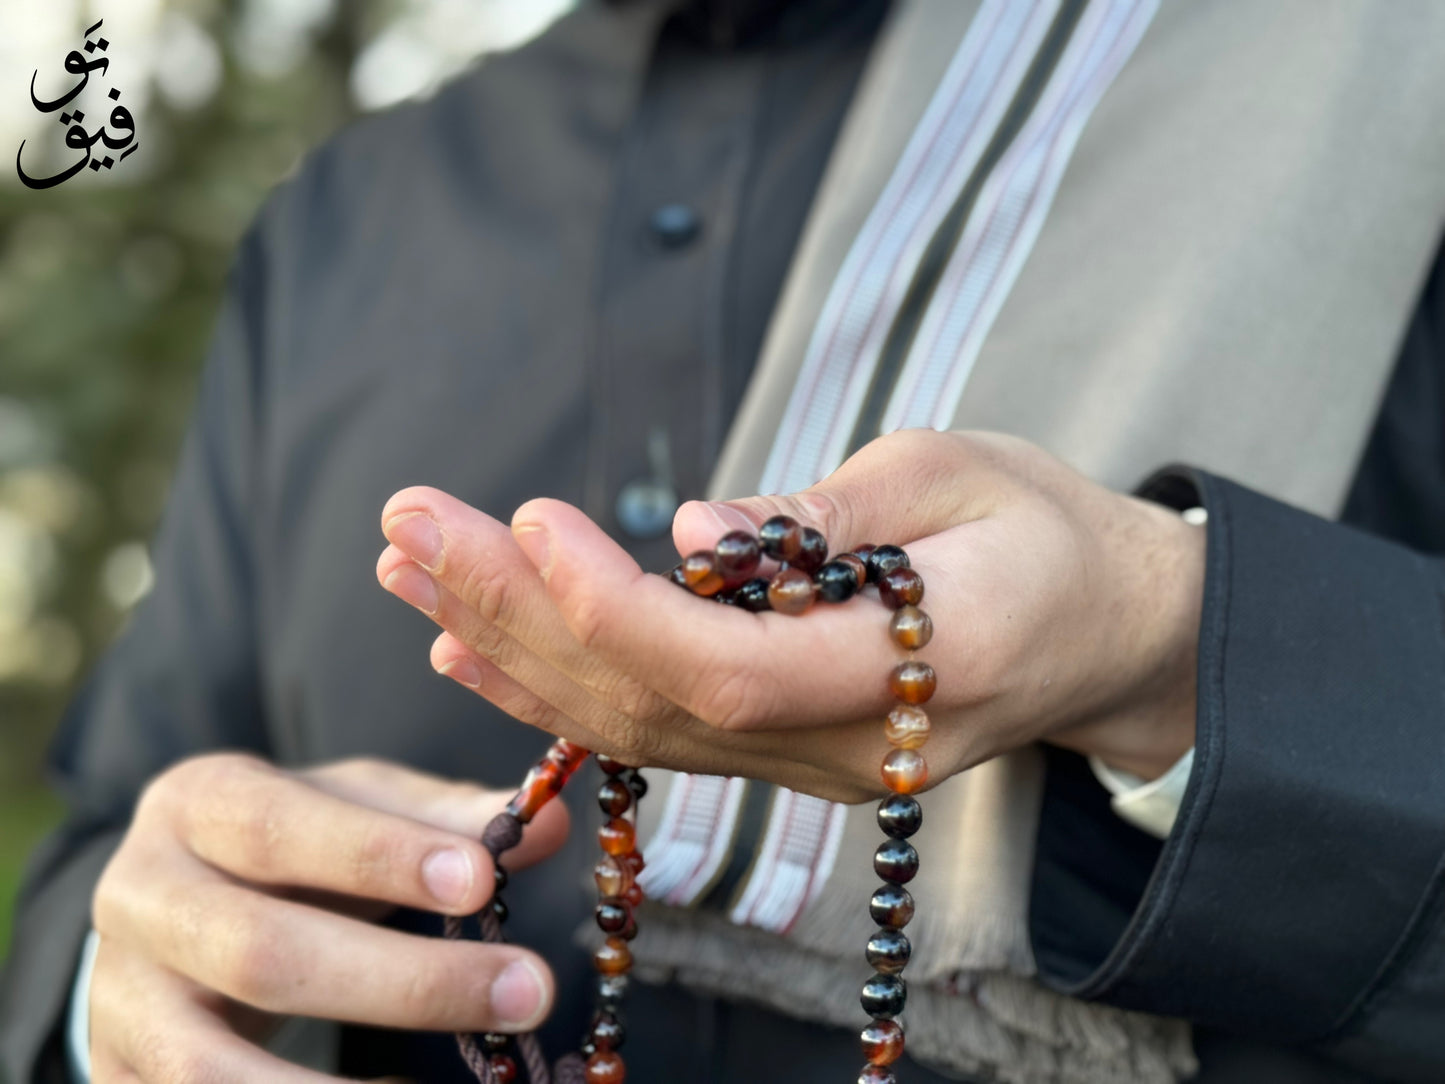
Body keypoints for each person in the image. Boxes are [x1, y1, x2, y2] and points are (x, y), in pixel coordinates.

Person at [5, 0, 1445, 1081]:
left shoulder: (1377, 84)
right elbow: (112, 834)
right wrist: (116, 989)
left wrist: (1171, 649)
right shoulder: (341, 220)